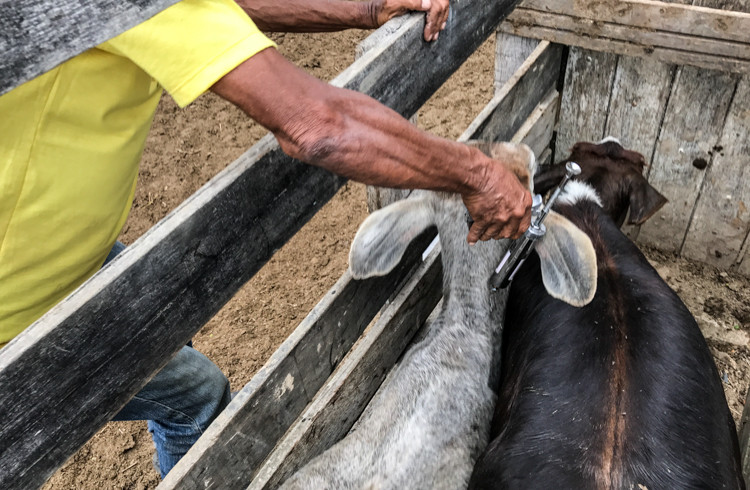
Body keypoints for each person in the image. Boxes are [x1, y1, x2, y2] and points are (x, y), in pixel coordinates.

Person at [0, 0, 531, 479]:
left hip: (66, 260)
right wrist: (478, 176)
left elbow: (222, 7)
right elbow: (320, 125)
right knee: (190, 400)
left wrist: (369, 8)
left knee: (177, 359)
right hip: (19, 307)